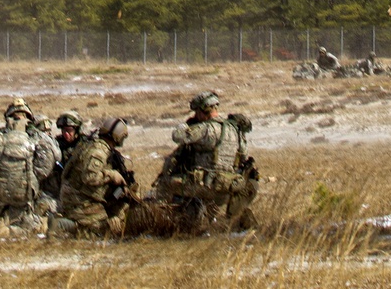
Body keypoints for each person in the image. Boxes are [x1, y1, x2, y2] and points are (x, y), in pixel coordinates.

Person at [150, 92, 257, 232]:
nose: (196, 115)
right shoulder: (235, 130)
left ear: (204, 110)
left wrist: (186, 124)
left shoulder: (206, 129)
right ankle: (209, 220)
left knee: (164, 183)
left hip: (205, 187)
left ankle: (159, 223)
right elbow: (244, 156)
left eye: (197, 112)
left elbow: (177, 136)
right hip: (227, 189)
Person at [53, 118, 133, 236]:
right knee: (103, 231)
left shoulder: (92, 144)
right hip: (79, 201)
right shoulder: (99, 150)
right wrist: (112, 175)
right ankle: (63, 225)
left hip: (77, 197)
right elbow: (90, 177)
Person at [0, 98, 48, 231]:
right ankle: (12, 228)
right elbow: (45, 167)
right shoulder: (35, 139)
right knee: (34, 224)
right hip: (24, 193)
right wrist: (32, 176)